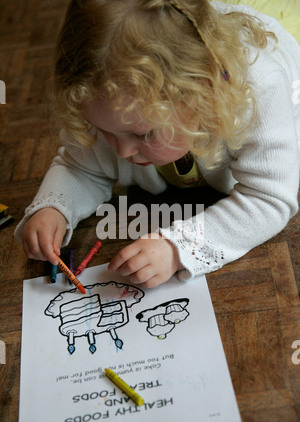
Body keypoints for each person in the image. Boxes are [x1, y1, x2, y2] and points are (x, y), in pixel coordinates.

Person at [15, 0, 300, 288]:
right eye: (105, 131)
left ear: (201, 94)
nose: (123, 151)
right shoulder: (109, 98)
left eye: (143, 135)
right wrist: (53, 208)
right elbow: (79, 167)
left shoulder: (258, 94)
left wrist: (177, 248)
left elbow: (269, 199)